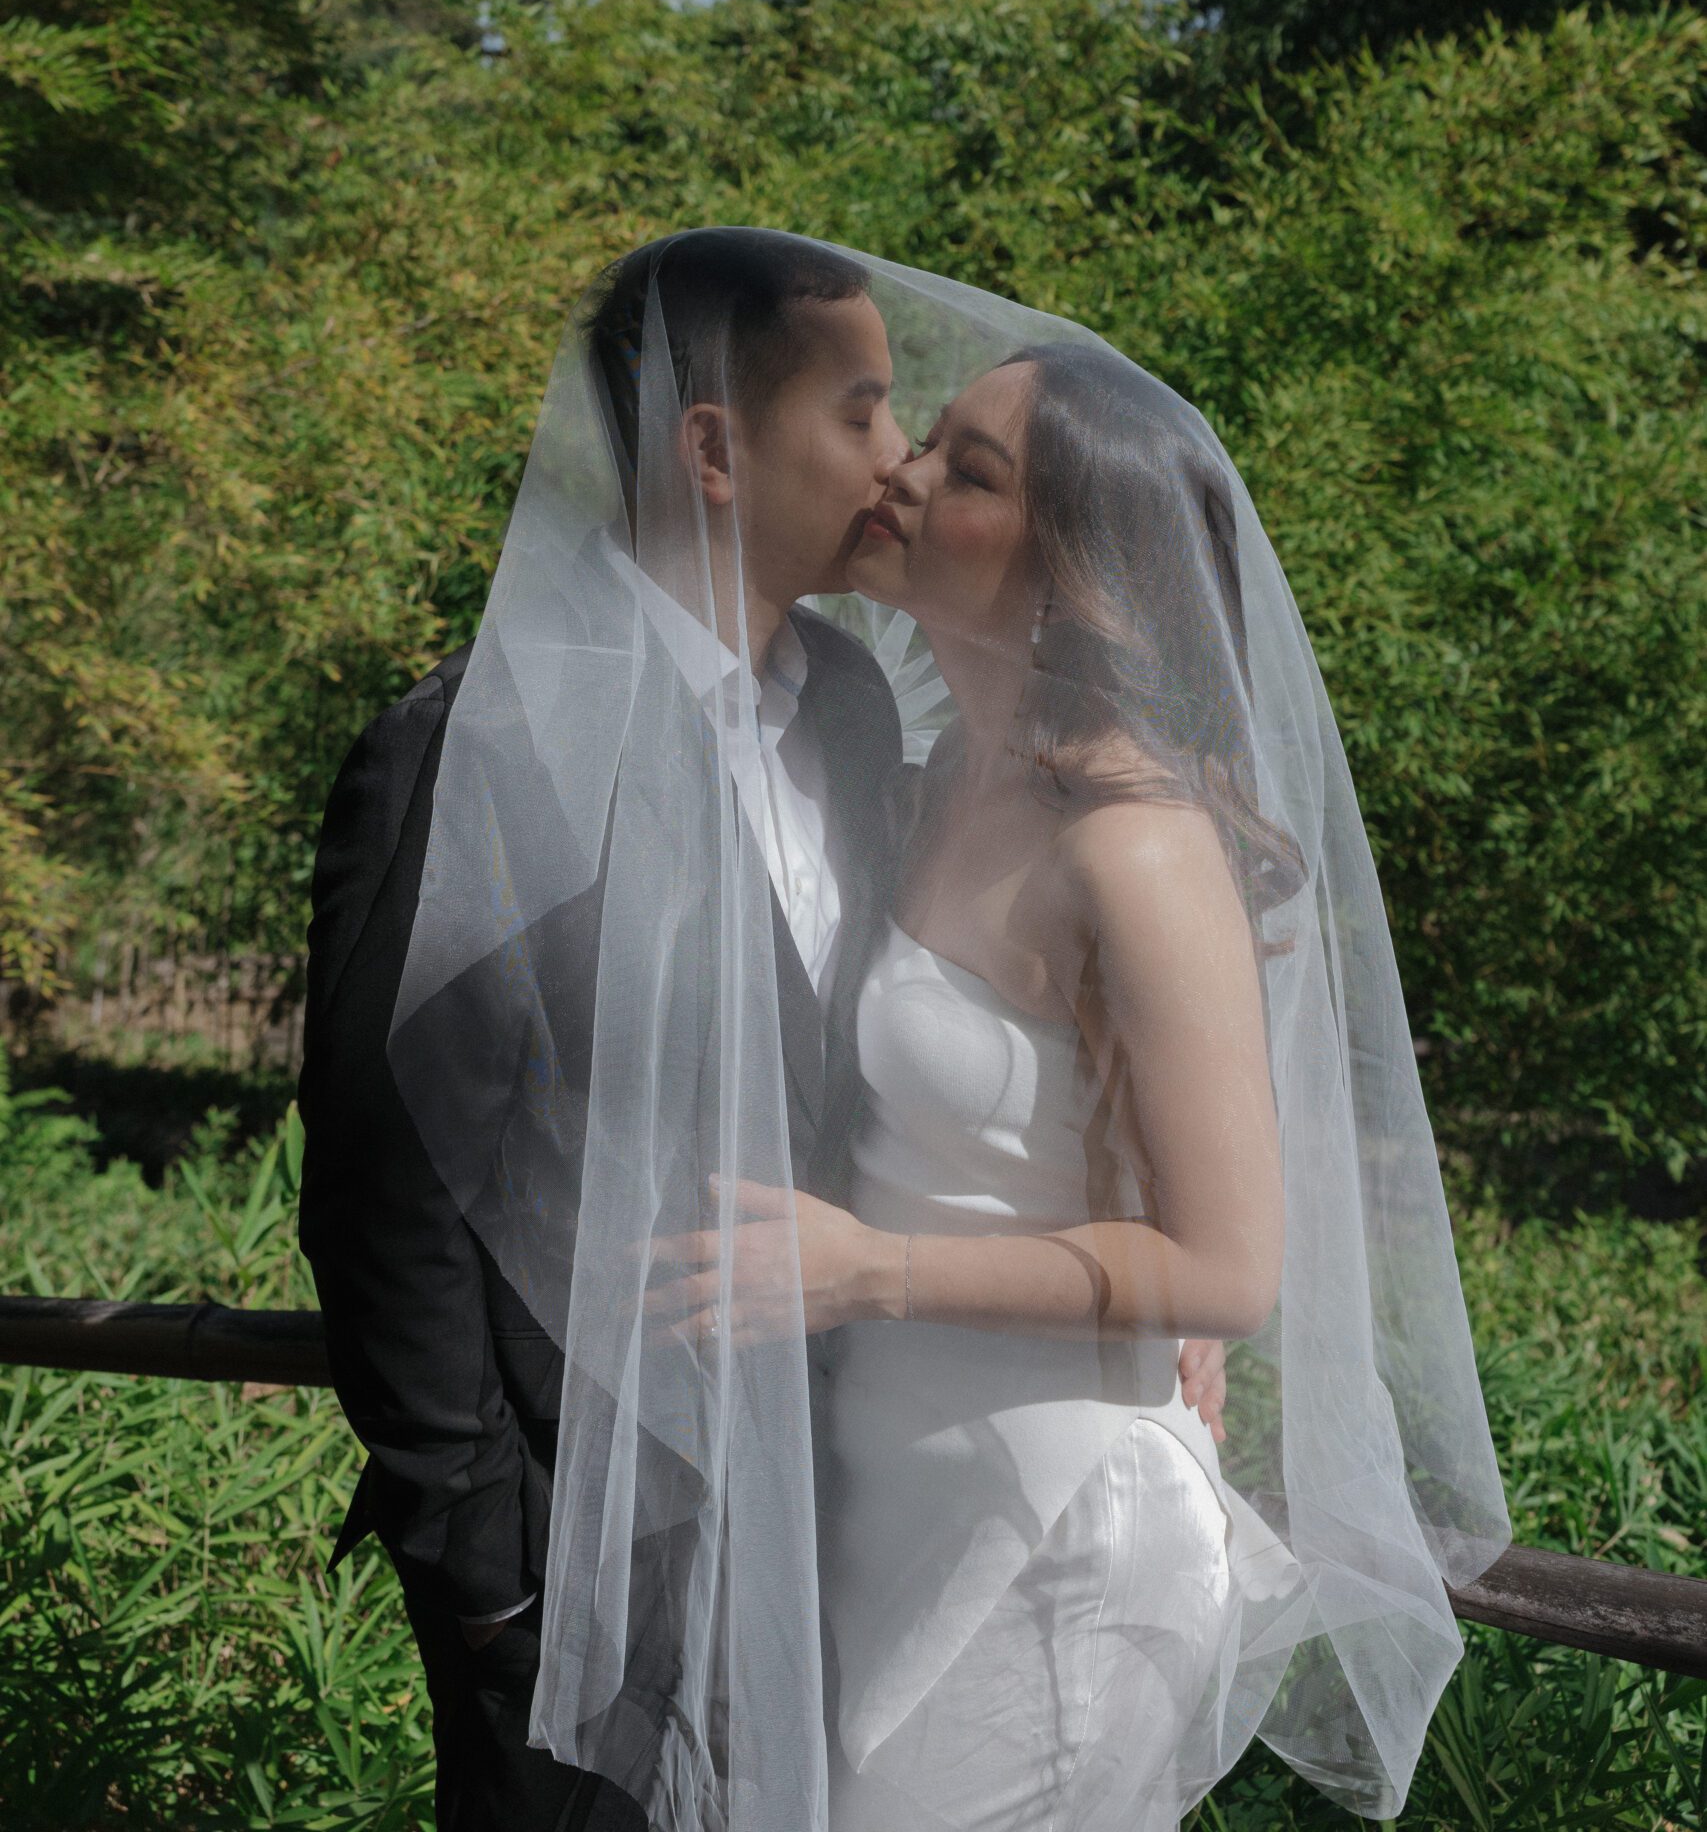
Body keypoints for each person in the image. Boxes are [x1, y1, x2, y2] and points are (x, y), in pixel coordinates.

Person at [506, 241, 1507, 1832]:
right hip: (888, 1504)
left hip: (1057, 1545)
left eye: (962, 466)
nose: (899, 473)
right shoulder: (915, 773)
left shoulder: (1137, 839)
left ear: (1064, 562)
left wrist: (867, 1271)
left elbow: (1235, 1267)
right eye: (914, 435)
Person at [297, 225, 1238, 1830]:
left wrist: (1149, 1248)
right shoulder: (478, 746)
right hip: (587, 1575)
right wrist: (496, 1587)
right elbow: (384, 1192)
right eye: (867, 413)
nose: (900, 462)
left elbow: (1004, 1049)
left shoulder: (866, 718)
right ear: (716, 450)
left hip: (860, 1518)